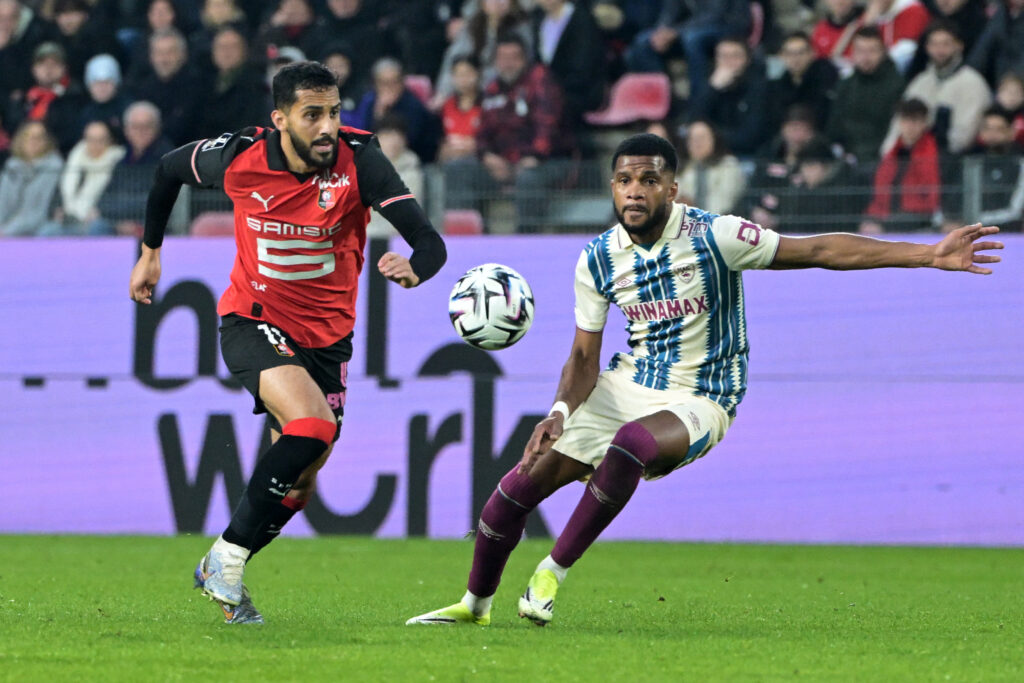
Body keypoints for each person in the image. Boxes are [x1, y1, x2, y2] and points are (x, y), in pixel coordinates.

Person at [405, 132, 1003, 628]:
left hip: (704, 396)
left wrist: (926, 254)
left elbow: (820, 250)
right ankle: (474, 606)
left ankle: (550, 574)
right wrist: (558, 413)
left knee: (632, 444)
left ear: (672, 188)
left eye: (648, 180)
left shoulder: (717, 236)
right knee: (512, 494)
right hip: (628, 383)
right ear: (611, 187)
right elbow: (585, 357)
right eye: (624, 180)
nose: (634, 190)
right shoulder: (598, 257)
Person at [128, 61, 447, 624]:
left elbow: (428, 240)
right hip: (252, 318)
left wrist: (416, 267)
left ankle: (224, 568)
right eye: (312, 115)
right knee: (313, 425)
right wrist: (150, 253)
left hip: (328, 339)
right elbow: (167, 169)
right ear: (280, 119)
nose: (327, 127)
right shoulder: (240, 156)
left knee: (302, 481)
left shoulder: (359, 160)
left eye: (334, 112)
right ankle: (225, 557)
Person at [882, 20, 990, 155]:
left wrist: (930, 152)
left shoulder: (973, 83)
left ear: (959, 46)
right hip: (912, 159)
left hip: (952, 160)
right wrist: (889, 154)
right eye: (934, 44)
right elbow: (898, 126)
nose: (939, 50)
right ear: (927, 47)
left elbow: (964, 137)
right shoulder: (920, 82)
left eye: (946, 44)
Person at [91, 100, 173, 236]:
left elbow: (154, 201)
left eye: (147, 126)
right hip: (118, 222)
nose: (140, 132)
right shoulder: (122, 161)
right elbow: (103, 201)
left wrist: (121, 214)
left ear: (157, 128)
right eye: (135, 127)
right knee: (97, 226)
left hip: (152, 223)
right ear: (126, 130)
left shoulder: (167, 159)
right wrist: (120, 222)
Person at [826, 26, 905, 164]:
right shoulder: (845, 85)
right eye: (860, 51)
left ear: (883, 52)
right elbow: (835, 125)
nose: (866, 57)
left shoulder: (896, 85)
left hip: (879, 157)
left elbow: (892, 130)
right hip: (846, 156)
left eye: (872, 51)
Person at [861, 98, 940, 233]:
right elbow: (880, 191)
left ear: (924, 123)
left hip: (917, 217)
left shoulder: (935, 153)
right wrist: (873, 217)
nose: (910, 126)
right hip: (890, 215)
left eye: (915, 120)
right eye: (905, 120)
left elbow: (932, 194)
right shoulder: (892, 154)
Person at [687, 36, 770, 157]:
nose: (729, 62)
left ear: (747, 60)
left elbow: (751, 136)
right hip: (711, 154)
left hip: (745, 155)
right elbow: (693, 123)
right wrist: (712, 89)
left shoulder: (759, 88)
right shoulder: (710, 85)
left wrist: (710, 138)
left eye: (735, 56)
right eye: (723, 56)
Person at [42, 119, 124, 235]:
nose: (95, 145)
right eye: (90, 139)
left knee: (96, 228)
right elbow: (58, 194)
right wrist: (57, 209)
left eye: (100, 140)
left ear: (110, 141)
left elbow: (116, 196)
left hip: (95, 219)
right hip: (67, 219)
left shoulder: (117, 162)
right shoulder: (75, 158)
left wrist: (101, 211)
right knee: (47, 231)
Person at [0, 119, 62, 236]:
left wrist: (6, 232)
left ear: (46, 141)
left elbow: (38, 213)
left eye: (38, 137)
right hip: (6, 231)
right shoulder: (10, 167)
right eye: (28, 136)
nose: (33, 141)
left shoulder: (54, 168)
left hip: (37, 230)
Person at [674, 119, 746, 215]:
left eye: (702, 138)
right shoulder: (681, 168)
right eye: (692, 139)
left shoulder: (728, 165)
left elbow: (724, 202)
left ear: (714, 139)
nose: (697, 143)